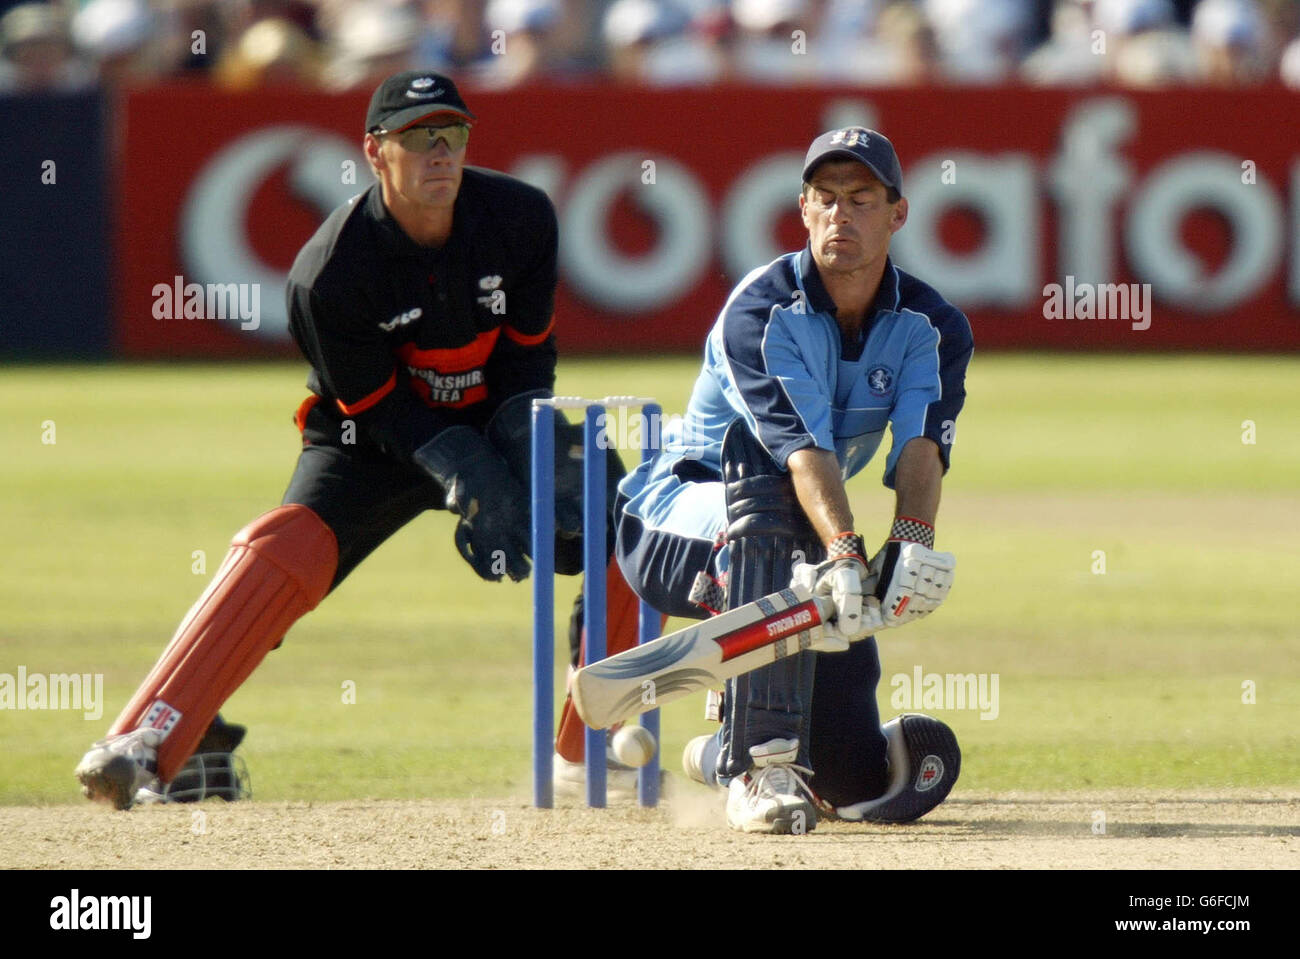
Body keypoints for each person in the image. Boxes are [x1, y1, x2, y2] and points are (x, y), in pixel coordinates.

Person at [75, 70, 614, 809]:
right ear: (373, 152)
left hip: (494, 413)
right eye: (417, 138)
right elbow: (378, 405)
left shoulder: (521, 218)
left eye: (451, 135)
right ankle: (156, 738)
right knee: (288, 547)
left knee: (620, 512)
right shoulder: (328, 274)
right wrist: (471, 478)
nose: (439, 154)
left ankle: (591, 750)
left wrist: (519, 448)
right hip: (371, 436)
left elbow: (527, 358)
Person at [615, 127, 974, 834]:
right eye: (826, 198)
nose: (841, 215)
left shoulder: (932, 325)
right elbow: (802, 453)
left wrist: (909, 545)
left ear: (897, 214)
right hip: (675, 520)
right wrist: (845, 553)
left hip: (802, 540)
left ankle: (724, 742)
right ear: (803, 210)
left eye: (861, 199)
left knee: (855, 783)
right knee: (779, 506)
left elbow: (921, 451)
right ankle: (757, 765)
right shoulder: (760, 311)